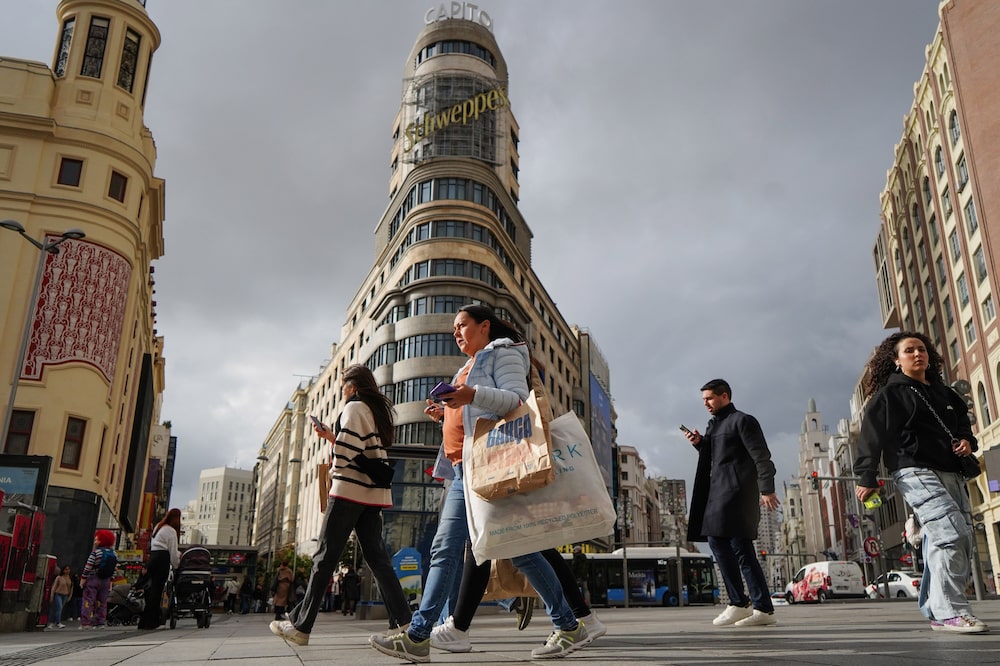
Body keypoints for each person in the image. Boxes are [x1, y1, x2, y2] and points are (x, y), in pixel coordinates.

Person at [371, 304, 590, 662]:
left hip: (488, 468)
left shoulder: (502, 353)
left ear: (485, 326)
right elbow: (477, 412)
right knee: (455, 549)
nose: (456, 333)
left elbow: (516, 400)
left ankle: (568, 625)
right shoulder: (467, 366)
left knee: (517, 549)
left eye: (462, 326)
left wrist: (469, 396)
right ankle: (420, 635)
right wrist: (448, 412)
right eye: (453, 329)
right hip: (462, 471)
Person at [269, 364, 412, 646]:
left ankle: (301, 625)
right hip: (370, 495)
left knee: (324, 557)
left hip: (348, 491)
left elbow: (347, 452)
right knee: (378, 560)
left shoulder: (354, 407)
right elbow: (361, 449)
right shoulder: (372, 411)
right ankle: (405, 622)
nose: (341, 391)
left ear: (353, 387)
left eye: (343, 386)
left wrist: (335, 458)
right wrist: (331, 438)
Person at [854, 331, 987, 634]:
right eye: (910, 350)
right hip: (914, 470)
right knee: (952, 534)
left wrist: (967, 441)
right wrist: (867, 476)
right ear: (896, 360)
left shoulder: (945, 392)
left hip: (952, 471)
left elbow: (963, 422)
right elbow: (871, 436)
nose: (918, 354)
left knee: (952, 539)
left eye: (922, 349)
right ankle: (951, 611)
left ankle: (934, 608)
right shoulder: (890, 394)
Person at [684, 378, 779, 627]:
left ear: (724, 396)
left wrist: (767, 489)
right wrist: (700, 444)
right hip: (716, 495)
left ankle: (762, 608)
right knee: (717, 542)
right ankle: (739, 603)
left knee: (742, 550)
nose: (706, 403)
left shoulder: (743, 421)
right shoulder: (713, 425)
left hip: (738, 495)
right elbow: (720, 457)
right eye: (703, 400)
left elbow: (762, 457)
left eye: (709, 398)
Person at [138, 508, 181, 630]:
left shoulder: (159, 527)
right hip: (162, 558)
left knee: (151, 590)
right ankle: (152, 622)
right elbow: (172, 552)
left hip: (153, 557)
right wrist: (177, 563)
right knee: (157, 591)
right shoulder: (171, 531)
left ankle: (144, 621)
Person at [79, 529, 117, 629]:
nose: (95, 541)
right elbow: (114, 569)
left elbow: (88, 567)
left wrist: (83, 579)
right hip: (106, 580)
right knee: (102, 602)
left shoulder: (96, 553)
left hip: (93, 578)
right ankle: (100, 622)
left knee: (88, 600)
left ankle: (85, 622)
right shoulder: (114, 554)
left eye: (97, 539)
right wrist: (111, 581)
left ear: (102, 540)